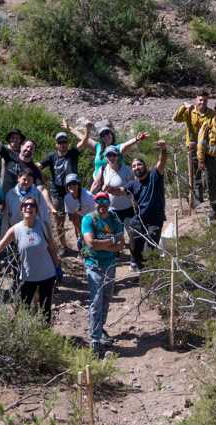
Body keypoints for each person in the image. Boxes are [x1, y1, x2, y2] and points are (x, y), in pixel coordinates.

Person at [0, 196, 62, 323]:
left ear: (36, 210)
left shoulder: (43, 225)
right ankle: (23, 339)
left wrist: (57, 268)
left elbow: (52, 248)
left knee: (45, 310)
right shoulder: (15, 230)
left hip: (47, 275)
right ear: (21, 210)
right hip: (27, 277)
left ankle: (44, 337)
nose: (28, 207)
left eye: (32, 205)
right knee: (23, 311)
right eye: (25, 205)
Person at [81, 192, 125, 356]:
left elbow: (122, 244)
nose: (101, 204)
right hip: (94, 265)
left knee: (107, 298)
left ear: (108, 202)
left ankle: (100, 329)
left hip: (110, 264)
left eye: (104, 201)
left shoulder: (114, 219)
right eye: (98, 201)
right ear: (94, 203)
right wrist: (112, 242)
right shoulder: (88, 219)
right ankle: (94, 339)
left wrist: (104, 245)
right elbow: (91, 243)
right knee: (96, 300)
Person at [39, 128, 91, 250]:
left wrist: (87, 130)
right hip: (57, 193)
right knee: (59, 221)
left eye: (64, 142)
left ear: (67, 143)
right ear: (56, 144)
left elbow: (84, 142)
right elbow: (38, 166)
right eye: (60, 142)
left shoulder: (72, 153)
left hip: (73, 192)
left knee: (77, 218)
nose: (62, 144)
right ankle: (63, 247)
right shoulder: (51, 157)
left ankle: (82, 244)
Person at [0, 116, 49, 196]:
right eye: (13, 138)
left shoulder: (32, 166)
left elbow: (41, 188)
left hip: (20, 200)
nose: (15, 140)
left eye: (17, 138)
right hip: (3, 193)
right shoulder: (8, 152)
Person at [125, 141, 169, 271]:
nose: (136, 167)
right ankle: (139, 267)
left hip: (155, 220)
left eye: (139, 164)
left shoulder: (155, 176)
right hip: (139, 220)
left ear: (145, 166)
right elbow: (121, 190)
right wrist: (109, 189)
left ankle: (151, 272)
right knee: (134, 246)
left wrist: (163, 148)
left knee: (150, 249)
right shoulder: (133, 184)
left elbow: (162, 161)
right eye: (133, 166)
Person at [68, 119, 148, 180]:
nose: (106, 136)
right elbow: (82, 136)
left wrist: (136, 139)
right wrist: (69, 128)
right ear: (101, 138)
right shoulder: (98, 147)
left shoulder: (117, 148)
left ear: (112, 135)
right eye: (103, 135)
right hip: (97, 182)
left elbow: (127, 144)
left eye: (107, 133)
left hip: (114, 183)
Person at [173, 93, 215, 204]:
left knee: (209, 172)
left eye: (205, 100)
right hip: (193, 147)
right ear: (196, 100)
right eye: (200, 100)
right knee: (195, 174)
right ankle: (197, 200)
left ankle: (212, 197)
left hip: (207, 147)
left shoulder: (211, 113)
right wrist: (184, 106)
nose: (202, 102)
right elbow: (176, 118)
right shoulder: (190, 111)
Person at [90, 145, 136, 223]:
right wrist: (87, 197)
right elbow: (96, 184)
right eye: (109, 155)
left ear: (117, 156)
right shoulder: (103, 169)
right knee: (115, 234)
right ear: (105, 157)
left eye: (114, 155)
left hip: (127, 208)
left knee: (133, 233)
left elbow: (133, 188)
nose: (111, 158)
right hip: (111, 210)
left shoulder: (127, 170)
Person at [62, 173, 94, 249]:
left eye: (74, 183)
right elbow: (72, 217)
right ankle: (82, 246)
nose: (72, 186)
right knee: (81, 235)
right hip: (80, 215)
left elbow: (95, 213)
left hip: (92, 215)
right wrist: (80, 232)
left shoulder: (87, 196)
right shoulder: (67, 198)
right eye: (69, 184)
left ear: (78, 185)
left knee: (91, 234)